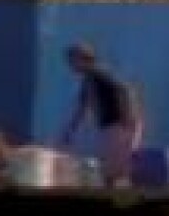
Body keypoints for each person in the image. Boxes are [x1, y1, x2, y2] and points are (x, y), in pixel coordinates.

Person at [58, 44, 143, 187]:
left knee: (114, 173)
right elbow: (81, 108)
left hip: (118, 126)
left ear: (81, 59)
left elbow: (125, 91)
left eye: (72, 61)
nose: (71, 66)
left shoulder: (97, 75)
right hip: (115, 127)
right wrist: (69, 132)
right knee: (112, 171)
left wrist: (129, 121)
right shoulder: (93, 78)